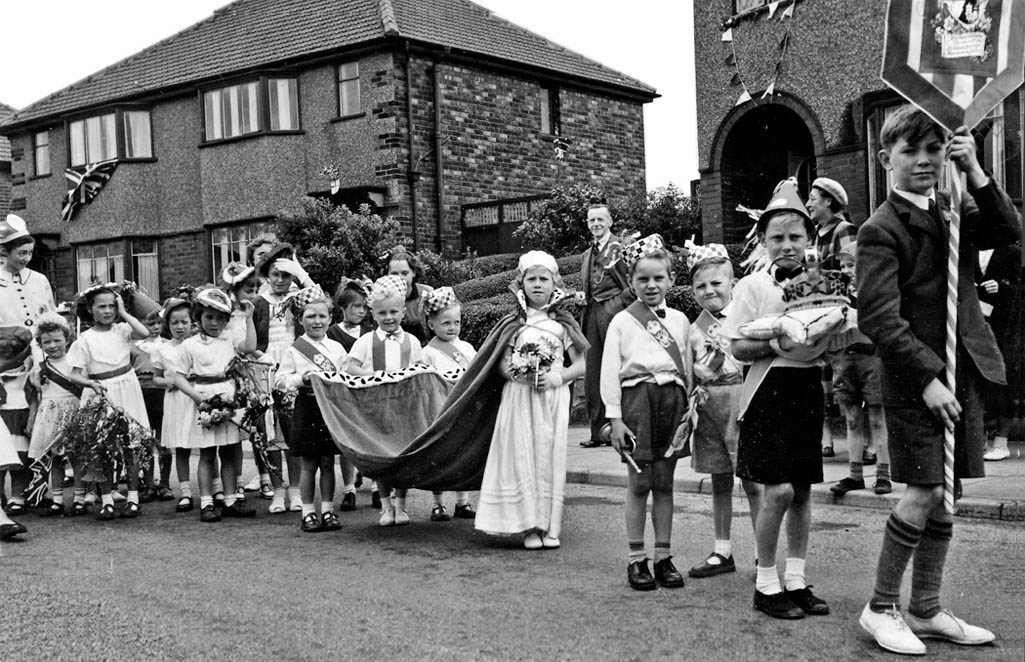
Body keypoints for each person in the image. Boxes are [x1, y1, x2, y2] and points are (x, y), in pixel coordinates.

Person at [855, 105, 1018, 655]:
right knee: (923, 490)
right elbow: (879, 317)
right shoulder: (880, 229)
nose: (924, 160)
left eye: (933, 149)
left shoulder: (953, 207)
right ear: (886, 159)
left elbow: (1006, 230)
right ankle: (880, 607)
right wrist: (926, 377)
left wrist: (974, 168)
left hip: (961, 369)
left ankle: (925, 607)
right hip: (914, 381)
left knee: (946, 493)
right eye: (910, 151)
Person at [720, 179, 833, 620]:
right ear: (763, 241)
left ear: (809, 238)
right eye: (777, 238)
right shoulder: (751, 287)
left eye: (795, 237)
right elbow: (736, 346)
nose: (787, 246)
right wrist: (781, 341)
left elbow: (833, 333)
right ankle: (766, 583)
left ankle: (797, 578)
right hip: (767, 392)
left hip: (806, 389)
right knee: (778, 491)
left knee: (802, 491)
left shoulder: (821, 281)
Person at [475, 251, 587, 549]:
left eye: (544, 279)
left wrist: (557, 377)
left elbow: (581, 364)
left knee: (549, 457)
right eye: (531, 279)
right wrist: (515, 373)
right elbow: (499, 363)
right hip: (520, 397)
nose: (537, 284)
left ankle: (550, 525)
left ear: (555, 283)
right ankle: (529, 526)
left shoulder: (563, 323)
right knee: (523, 456)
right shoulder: (515, 322)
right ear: (521, 283)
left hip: (551, 397)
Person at [601, 235, 691, 590]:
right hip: (636, 401)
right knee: (639, 482)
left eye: (658, 278)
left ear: (671, 279)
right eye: (642, 279)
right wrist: (614, 419)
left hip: (672, 401)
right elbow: (609, 372)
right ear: (632, 281)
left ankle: (663, 556)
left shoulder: (682, 320)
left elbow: (688, 368)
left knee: (665, 482)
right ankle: (637, 559)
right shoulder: (622, 322)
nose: (651, 285)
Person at [683, 241, 762, 580]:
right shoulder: (693, 329)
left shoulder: (745, 319)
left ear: (732, 283)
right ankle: (722, 549)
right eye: (701, 285)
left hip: (742, 398)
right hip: (709, 403)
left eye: (716, 283)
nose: (709, 290)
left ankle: (764, 554)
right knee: (719, 479)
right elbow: (690, 372)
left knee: (754, 480)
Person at [345, 274, 426, 526]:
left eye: (394, 312)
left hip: (404, 408)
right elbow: (351, 367)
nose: (388, 318)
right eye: (382, 313)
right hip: (377, 407)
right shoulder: (366, 342)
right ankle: (385, 506)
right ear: (373, 313)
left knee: (402, 456)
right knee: (381, 456)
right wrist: (374, 375)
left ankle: (401, 506)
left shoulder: (411, 342)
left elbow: (421, 369)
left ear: (403, 311)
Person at [66, 285, 152, 520]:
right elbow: (74, 373)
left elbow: (144, 333)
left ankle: (133, 498)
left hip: (127, 387)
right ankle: (106, 500)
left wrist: (124, 313)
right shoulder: (84, 339)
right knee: (101, 447)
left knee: (132, 444)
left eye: (112, 306)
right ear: (90, 310)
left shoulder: (123, 329)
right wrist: (90, 384)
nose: (107, 311)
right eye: (101, 306)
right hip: (100, 392)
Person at [171, 288, 257, 523]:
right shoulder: (190, 345)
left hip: (228, 398)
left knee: (229, 452)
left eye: (220, 318)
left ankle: (230, 500)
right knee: (207, 454)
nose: (215, 323)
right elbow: (178, 377)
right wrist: (197, 397)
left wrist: (249, 318)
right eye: (209, 317)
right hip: (205, 400)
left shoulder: (229, 339)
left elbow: (250, 347)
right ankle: (207, 502)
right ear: (198, 317)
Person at [274, 286, 347, 533]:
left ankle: (327, 509)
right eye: (311, 316)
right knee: (309, 464)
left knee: (328, 461)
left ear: (330, 318)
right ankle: (307, 512)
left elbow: (345, 376)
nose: (317, 321)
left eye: (322, 316)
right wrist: (300, 379)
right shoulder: (295, 349)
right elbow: (280, 380)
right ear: (300, 318)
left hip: (330, 408)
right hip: (307, 406)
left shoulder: (337, 349)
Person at [0, 213, 55, 520]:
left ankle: (27, 492)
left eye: (29, 253)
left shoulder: (39, 280)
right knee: (6, 429)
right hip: (5, 365)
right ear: (3, 253)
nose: (26, 258)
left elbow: (48, 319)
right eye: (20, 253)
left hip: (38, 359)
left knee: (32, 428)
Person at [829, 243, 891, 496]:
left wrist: (850, 312)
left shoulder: (874, 290)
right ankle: (855, 475)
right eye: (843, 265)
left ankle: (883, 474)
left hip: (871, 356)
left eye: (851, 265)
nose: (846, 270)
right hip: (844, 357)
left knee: (877, 417)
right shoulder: (839, 293)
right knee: (852, 418)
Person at [254, 243, 306, 513]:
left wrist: (300, 271)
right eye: (274, 274)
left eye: (285, 275)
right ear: (266, 275)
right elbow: (247, 336)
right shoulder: (257, 302)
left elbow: (318, 301)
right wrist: (257, 355)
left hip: (291, 368)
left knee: (292, 433)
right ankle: (277, 491)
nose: (279, 280)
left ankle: (295, 491)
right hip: (264, 370)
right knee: (269, 432)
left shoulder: (298, 299)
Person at [806, 178, 856, 458]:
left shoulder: (844, 230)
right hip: (817, 310)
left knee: (846, 373)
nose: (810, 203)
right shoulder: (814, 234)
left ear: (828, 201)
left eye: (814, 198)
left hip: (837, 311)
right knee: (822, 374)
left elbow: (852, 267)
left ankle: (864, 444)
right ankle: (826, 439)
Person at [578, 204, 633, 448]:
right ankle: (598, 432)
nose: (596, 224)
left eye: (600, 219)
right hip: (591, 315)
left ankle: (621, 428)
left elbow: (631, 286)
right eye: (591, 220)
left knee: (615, 368)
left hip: (612, 313)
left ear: (610, 222)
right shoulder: (587, 254)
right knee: (593, 372)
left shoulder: (619, 249)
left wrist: (615, 305)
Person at [420, 286, 476, 520]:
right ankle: (437, 503)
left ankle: (463, 502)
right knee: (439, 456)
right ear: (432, 324)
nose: (452, 328)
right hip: (440, 409)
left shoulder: (466, 348)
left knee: (464, 453)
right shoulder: (427, 352)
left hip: (464, 409)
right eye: (446, 323)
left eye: (456, 322)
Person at [221, 262, 275, 501]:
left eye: (255, 290)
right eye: (247, 291)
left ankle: (264, 477)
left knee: (258, 429)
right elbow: (238, 345)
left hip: (253, 373)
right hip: (234, 376)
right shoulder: (228, 318)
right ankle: (238, 480)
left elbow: (258, 344)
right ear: (234, 292)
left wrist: (263, 357)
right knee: (235, 430)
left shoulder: (257, 312)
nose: (252, 295)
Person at [26, 313, 83, 516]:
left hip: (73, 412)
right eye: (46, 342)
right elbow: (36, 396)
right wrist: (32, 421)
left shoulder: (75, 363)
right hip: (49, 415)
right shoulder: (38, 369)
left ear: (67, 340)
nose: (52, 345)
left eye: (57, 340)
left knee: (76, 457)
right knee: (55, 458)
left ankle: (79, 497)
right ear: (40, 344)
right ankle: (57, 498)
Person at [327, 277, 372, 509]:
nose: (361, 311)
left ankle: (376, 486)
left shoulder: (369, 331)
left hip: (365, 392)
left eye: (364, 307)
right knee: (349, 441)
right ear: (343, 307)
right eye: (356, 306)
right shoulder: (333, 332)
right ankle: (349, 489)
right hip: (344, 392)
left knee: (371, 439)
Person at [977, 244, 1022, 461]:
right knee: (977, 382)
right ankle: (980, 440)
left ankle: (1001, 442)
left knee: (1004, 382)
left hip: (1005, 327)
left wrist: (1002, 288)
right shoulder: (966, 249)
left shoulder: (1012, 252)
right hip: (976, 323)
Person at [152, 298, 196, 513]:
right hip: (176, 400)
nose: (180, 327)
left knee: (207, 446)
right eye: (175, 323)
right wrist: (168, 382)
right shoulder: (162, 349)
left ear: (191, 323)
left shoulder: (197, 344)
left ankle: (215, 489)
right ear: (167, 325)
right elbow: (156, 378)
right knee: (181, 447)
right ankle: (186, 492)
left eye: (184, 322)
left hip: (196, 397)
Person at [133, 309, 174, 502]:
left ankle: (164, 484)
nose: (156, 328)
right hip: (142, 393)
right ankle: (149, 484)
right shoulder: (136, 345)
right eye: (150, 324)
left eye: (159, 323)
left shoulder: (167, 345)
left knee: (164, 439)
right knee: (145, 440)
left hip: (162, 394)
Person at [385, 246, 434, 343]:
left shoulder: (426, 293)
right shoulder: (382, 297)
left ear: (414, 273)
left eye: (405, 273)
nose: (400, 278)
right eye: (394, 274)